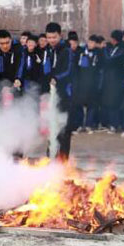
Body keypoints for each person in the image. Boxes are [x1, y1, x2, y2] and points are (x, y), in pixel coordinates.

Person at [44, 22, 74, 161]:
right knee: (51, 125)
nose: (51, 40)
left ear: (60, 35)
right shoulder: (48, 50)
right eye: (49, 37)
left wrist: (57, 78)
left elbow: (68, 71)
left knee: (63, 128)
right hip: (52, 93)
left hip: (64, 94)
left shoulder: (66, 50)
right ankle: (50, 156)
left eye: (54, 37)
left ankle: (62, 160)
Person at [72, 35, 103, 133]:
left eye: (93, 43)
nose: (91, 44)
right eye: (90, 42)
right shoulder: (81, 53)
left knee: (92, 105)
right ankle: (79, 124)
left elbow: (100, 68)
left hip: (92, 83)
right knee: (78, 104)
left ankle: (89, 124)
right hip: (81, 83)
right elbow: (76, 67)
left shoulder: (98, 54)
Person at [101, 30, 124, 133]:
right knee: (107, 101)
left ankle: (115, 124)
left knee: (114, 103)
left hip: (117, 79)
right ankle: (108, 123)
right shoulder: (112, 48)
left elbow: (110, 60)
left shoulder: (122, 49)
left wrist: (104, 50)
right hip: (109, 79)